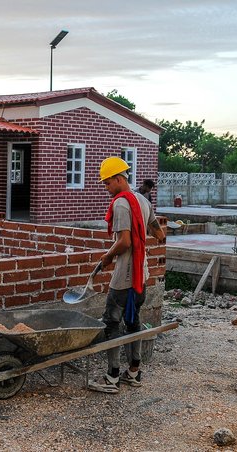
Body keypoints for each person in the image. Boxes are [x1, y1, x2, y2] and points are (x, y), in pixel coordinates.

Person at [88, 157, 165, 394]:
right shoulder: (142, 200)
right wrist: (158, 235)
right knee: (133, 321)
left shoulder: (121, 204)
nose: (106, 188)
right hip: (141, 274)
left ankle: (112, 376)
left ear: (119, 179)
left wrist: (108, 256)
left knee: (112, 322)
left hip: (124, 276)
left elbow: (124, 242)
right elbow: (158, 231)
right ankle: (134, 371)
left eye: (107, 182)